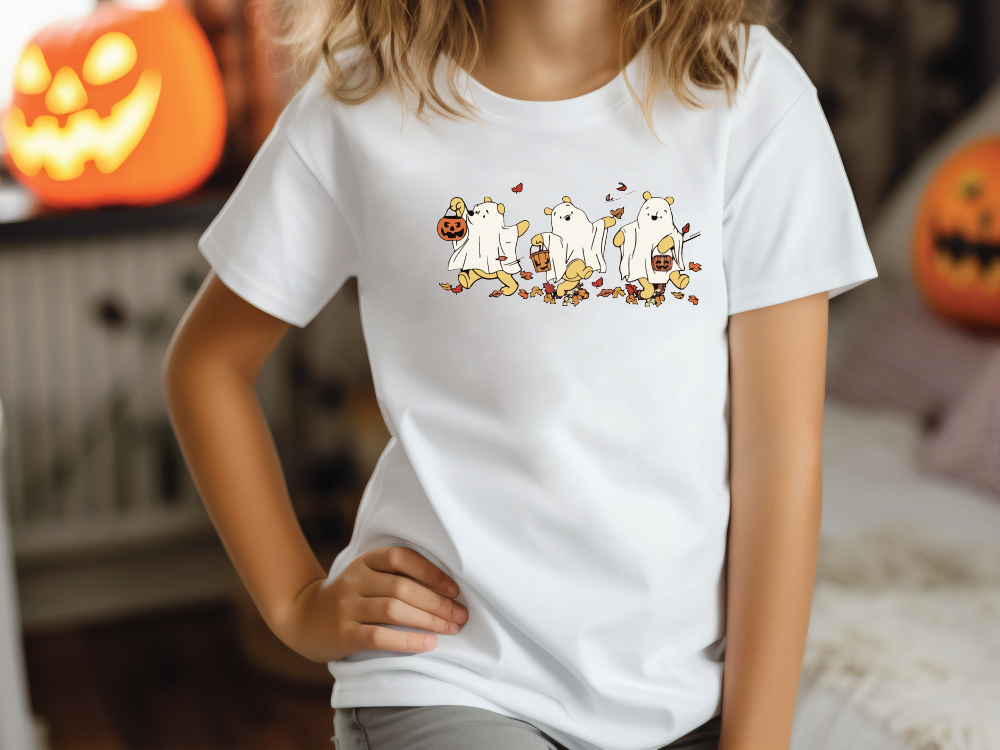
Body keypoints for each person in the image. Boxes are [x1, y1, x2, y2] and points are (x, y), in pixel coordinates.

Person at [162, 0, 877, 747]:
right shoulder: (364, 99)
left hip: (687, 697)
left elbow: (780, 451)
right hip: (453, 677)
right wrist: (295, 602)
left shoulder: (750, 91)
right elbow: (207, 365)